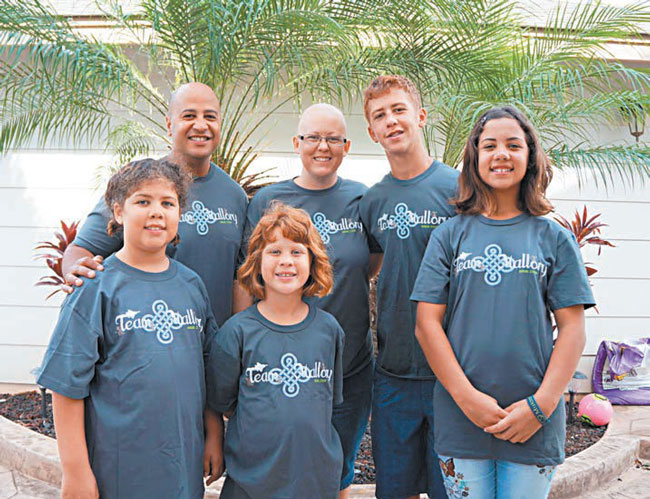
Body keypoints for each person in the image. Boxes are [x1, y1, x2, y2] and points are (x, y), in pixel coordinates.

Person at [411, 106, 595, 498]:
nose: (501, 154)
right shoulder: (449, 236)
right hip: (462, 419)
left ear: (530, 157)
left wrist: (541, 406)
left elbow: (573, 329)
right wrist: (468, 399)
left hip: (533, 421)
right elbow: (427, 325)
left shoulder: (554, 238)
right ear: (475, 157)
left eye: (513, 145)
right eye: (489, 145)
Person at [37, 159, 223, 499]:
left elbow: (207, 369)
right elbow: (65, 386)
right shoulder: (95, 288)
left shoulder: (191, 285)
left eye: (168, 203)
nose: (157, 212)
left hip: (181, 468)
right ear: (118, 212)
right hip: (118, 471)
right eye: (143, 201)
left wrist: (213, 434)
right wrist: (75, 473)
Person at [244, 103, 380, 498]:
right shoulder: (267, 200)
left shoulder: (362, 199)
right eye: (313, 138)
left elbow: (365, 264)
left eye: (333, 139)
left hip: (349, 364)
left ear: (346, 145)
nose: (323, 147)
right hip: (280, 363)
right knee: (279, 465)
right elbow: (251, 273)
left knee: (336, 466)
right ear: (296, 143)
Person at [61, 82, 250, 326]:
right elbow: (82, 249)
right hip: (148, 339)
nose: (201, 125)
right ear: (169, 124)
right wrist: (76, 271)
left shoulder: (234, 194)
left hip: (211, 347)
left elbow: (239, 277)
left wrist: (236, 339)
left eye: (210, 117)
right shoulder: (139, 185)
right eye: (189, 116)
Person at [358, 75, 459, 498]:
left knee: (449, 490)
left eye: (399, 110)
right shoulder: (373, 201)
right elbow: (373, 266)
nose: (391, 121)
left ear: (419, 116)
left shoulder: (458, 189)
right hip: (393, 373)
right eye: (380, 115)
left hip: (451, 375)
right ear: (371, 131)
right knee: (393, 490)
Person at [207, 203, 344, 498]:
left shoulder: (329, 331)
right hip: (251, 482)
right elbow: (223, 403)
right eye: (274, 251)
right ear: (256, 262)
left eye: (296, 251)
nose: (286, 261)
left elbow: (326, 405)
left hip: (314, 482)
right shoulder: (237, 332)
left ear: (313, 262)